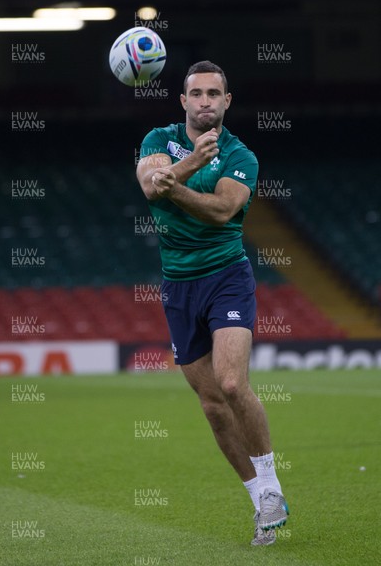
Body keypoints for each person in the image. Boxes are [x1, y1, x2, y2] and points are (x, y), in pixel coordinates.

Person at [136, 61, 289, 546]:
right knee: (212, 407)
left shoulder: (242, 154)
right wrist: (191, 166)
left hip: (226, 276)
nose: (205, 101)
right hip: (178, 285)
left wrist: (173, 184)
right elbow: (148, 185)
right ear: (183, 101)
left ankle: (271, 486)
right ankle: (257, 500)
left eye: (214, 94)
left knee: (230, 382)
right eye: (196, 93)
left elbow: (223, 211)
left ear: (227, 102)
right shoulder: (155, 140)